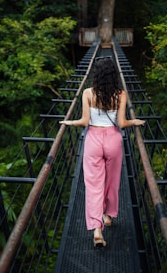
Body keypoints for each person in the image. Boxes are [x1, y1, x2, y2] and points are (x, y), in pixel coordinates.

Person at [60, 57, 145, 249]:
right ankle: (107, 215)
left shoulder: (88, 93)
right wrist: (135, 121)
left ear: (96, 75)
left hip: (93, 140)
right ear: (113, 75)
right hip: (113, 140)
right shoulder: (120, 94)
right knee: (112, 181)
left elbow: (84, 121)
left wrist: (70, 123)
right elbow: (122, 124)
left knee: (93, 185)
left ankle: (97, 230)